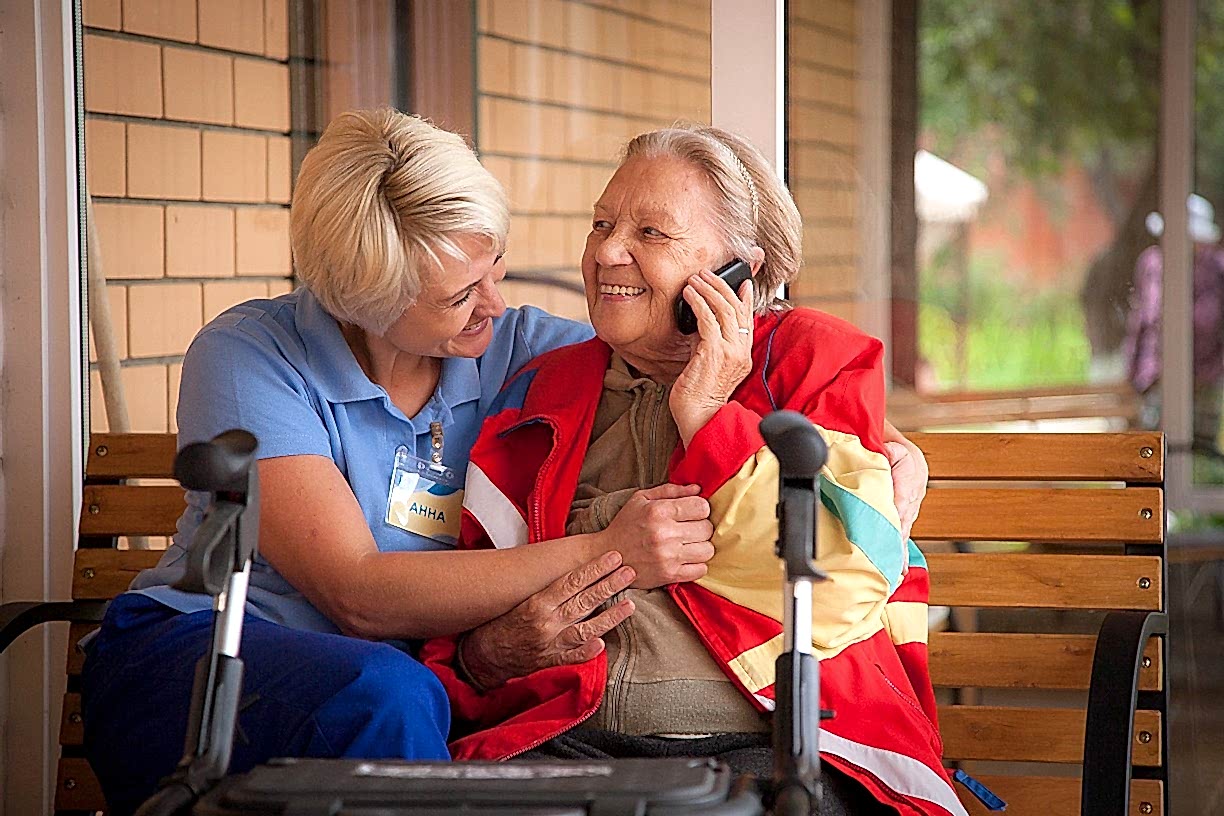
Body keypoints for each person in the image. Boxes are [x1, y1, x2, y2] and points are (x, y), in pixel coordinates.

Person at [81, 108, 931, 815]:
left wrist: (885, 455)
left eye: (496, 267)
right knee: (391, 698)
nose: (498, 302)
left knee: (412, 703)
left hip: (419, 689)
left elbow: (661, 349)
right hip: (222, 659)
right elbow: (357, 594)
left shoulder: (518, 351)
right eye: (460, 296)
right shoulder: (252, 354)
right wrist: (613, 550)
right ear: (363, 304)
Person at [422, 126, 966, 816]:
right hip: (566, 741)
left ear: (741, 268)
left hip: (784, 746)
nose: (607, 252)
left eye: (651, 232)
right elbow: (476, 611)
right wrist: (490, 653)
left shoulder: (812, 361)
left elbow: (837, 589)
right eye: (601, 223)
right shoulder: (542, 391)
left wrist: (707, 410)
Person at [1125, 193, 1224, 455]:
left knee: (1200, 450)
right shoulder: (1152, 262)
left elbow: (1209, 322)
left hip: (1204, 376)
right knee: (1151, 450)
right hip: (1156, 377)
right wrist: (1134, 371)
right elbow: (1141, 318)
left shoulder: (1216, 267)